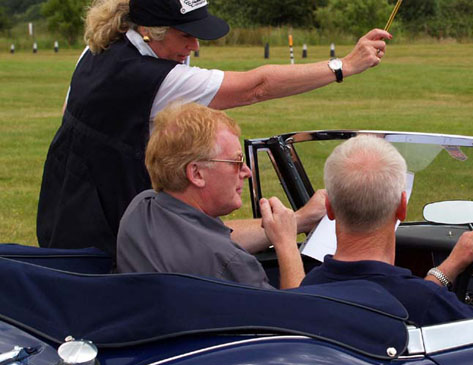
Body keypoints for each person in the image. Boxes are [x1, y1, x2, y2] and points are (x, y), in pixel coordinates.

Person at [37, 0, 390, 255]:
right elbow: (257, 86)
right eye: (185, 35)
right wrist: (344, 65)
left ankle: (300, 219)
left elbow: (70, 111)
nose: (194, 46)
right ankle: (299, 220)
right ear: (150, 31)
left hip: (63, 215)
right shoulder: (154, 79)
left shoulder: (99, 49)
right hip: (104, 242)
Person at [301, 135, 473, 326]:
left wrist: (449, 267)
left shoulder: (310, 288)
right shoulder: (422, 303)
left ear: (329, 208)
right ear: (402, 207)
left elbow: (399, 293)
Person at [116, 102, 324, 289]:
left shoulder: (141, 209)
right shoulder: (232, 264)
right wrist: (287, 245)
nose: (247, 172)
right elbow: (296, 317)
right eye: (236, 162)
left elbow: (210, 236)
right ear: (197, 173)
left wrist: (300, 219)